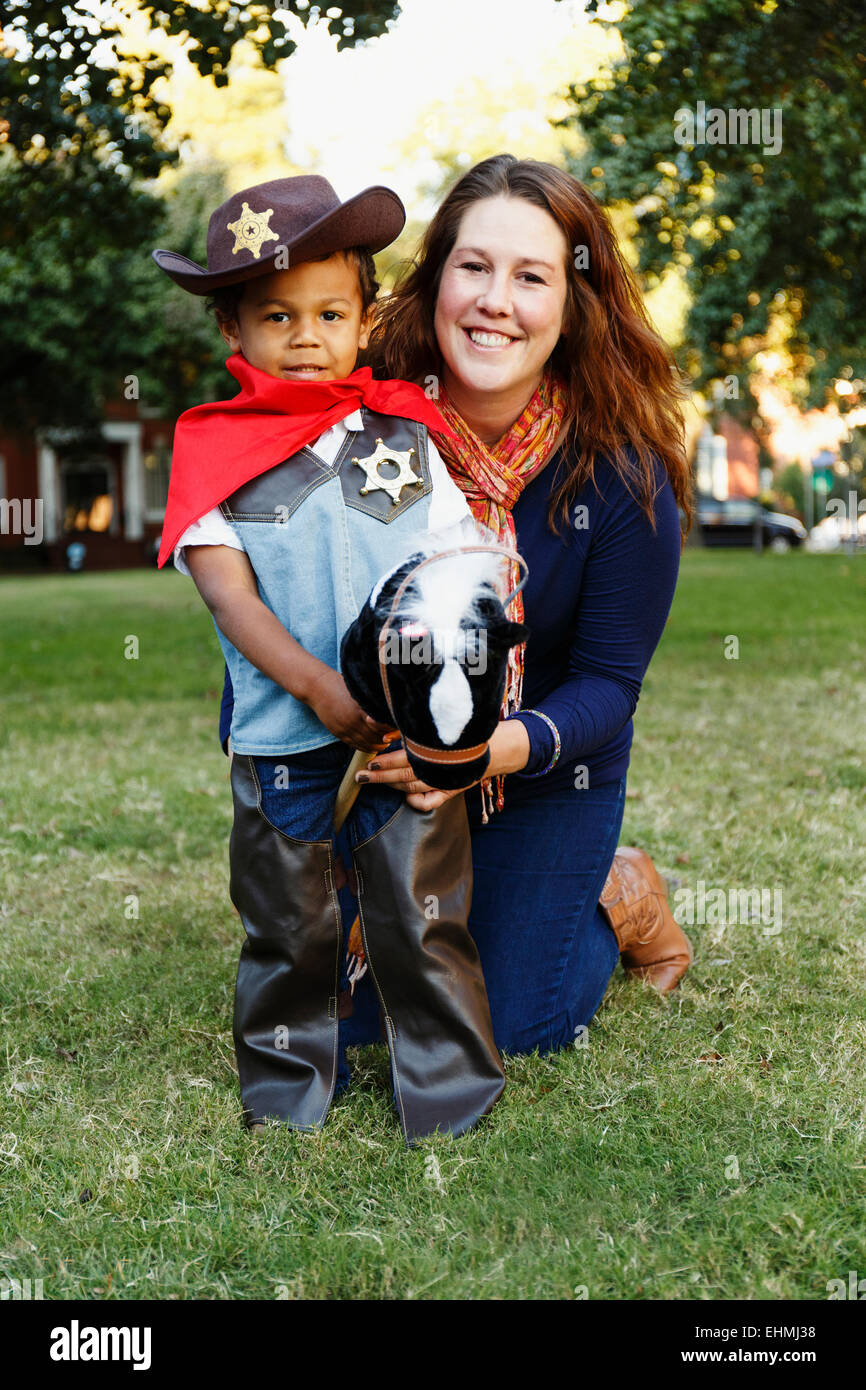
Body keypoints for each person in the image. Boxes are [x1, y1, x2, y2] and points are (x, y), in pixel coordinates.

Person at [152, 175, 506, 1143]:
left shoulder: (406, 430)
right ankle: (283, 1088)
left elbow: (458, 562)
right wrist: (313, 685)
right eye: (277, 315)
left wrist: (456, 696)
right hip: (284, 732)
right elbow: (228, 593)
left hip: (402, 732)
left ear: (364, 318)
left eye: (328, 312)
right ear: (233, 325)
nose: (305, 335)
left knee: (419, 909)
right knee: (289, 920)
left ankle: (446, 1093)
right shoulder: (214, 449)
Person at [344, 153, 694, 1056]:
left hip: (542, 768)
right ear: (437, 282)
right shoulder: (362, 436)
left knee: (507, 1024)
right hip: (384, 762)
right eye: (474, 266)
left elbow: (610, 685)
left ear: (574, 305)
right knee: (352, 1017)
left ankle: (617, 894)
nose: (496, 300)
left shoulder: (622, 475)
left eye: (531, 276)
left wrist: (474, 755)